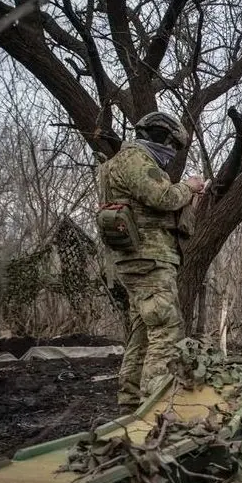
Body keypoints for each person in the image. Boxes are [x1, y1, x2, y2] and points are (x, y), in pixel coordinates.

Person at [96, 111, 206, 409]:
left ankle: (130, 401)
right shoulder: (134, 160)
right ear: (163, 138)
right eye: (172, 145)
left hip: (133, 259)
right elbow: (163, 198)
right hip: (149, 257)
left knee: (142, 332)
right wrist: (189, 187)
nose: (171, 153)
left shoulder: (112, 165)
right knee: (167, 330)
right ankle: (155, 408)